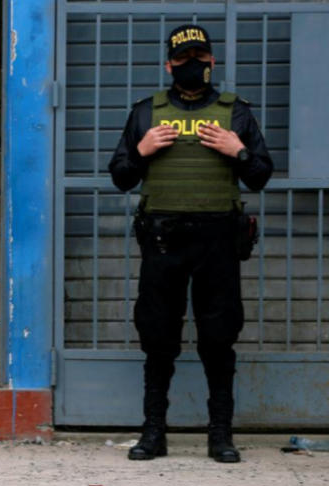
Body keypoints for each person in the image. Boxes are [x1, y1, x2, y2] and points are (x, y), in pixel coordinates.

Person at [108, 24, 273, 463]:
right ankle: (153, 433)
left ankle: (220, 436)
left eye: (198, 58)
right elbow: (121, 177)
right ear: (169, 64)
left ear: (212, 61)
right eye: (182, 60)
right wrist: (141, 150)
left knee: (218, 338)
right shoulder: (146, 112)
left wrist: (238, 150)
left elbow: (260, 175)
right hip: (163, 240)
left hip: (218, 239)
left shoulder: (236, 113)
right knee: (158, 336)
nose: (191, 66)